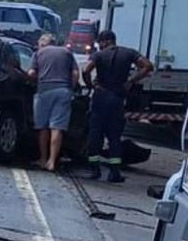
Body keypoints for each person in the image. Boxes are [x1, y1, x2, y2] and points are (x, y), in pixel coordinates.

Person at [80, 29, 153, 182]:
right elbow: (147, 66)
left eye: (100, 43)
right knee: (114, 137)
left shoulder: (98, 55)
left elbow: (86, 70)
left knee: (95, 134)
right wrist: (131, 81)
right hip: (118, 98)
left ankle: (94, 170)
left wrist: (91, 85)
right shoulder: (129, 53)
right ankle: (114, 173)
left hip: (101, 97)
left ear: (104, 41)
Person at [28, 34, 79, 172]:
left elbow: (31, 73)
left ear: (43, 43)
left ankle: (43, 159)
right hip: (63, 91)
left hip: (44, 91)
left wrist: (34, 81)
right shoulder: (67, 52)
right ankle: (52, 161)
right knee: (57, 127)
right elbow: (75, 74)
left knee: (43, 127)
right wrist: (71, 89)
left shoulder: (38, 53)